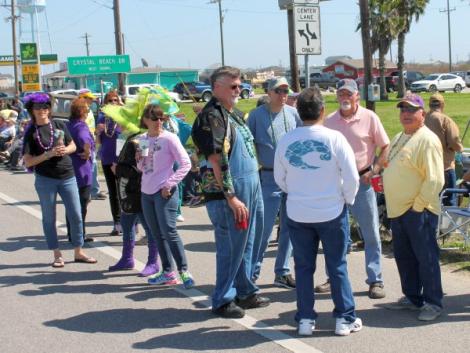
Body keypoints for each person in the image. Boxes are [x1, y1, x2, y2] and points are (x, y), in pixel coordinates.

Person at [274, 87, 361, 336]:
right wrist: (346, 198)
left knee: (303, 268)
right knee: (337, 266)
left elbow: (280, 178)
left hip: (298, 212)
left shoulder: (287, 139)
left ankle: (305, 319)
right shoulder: (334, 138)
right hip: (332, 210)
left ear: (299, 112)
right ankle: (344, 318)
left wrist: (300, 191)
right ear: (323, 110)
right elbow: (351, 176)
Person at [192, 66, 269, 319]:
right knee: (231, 246)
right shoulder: (211, 116)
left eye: (240, 85)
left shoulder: (232, 113)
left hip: (251, 184)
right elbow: (216, 159)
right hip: (230, 191)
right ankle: (223, 299)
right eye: (233, 86)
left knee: (248, 243)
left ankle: (244, 291)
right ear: (216, 87)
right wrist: (231, 196)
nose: (239, 90)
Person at [320, 78, 389, 299]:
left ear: (357, 96)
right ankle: (334, 278)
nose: (345, 98)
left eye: (349, 94)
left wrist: (376, 169)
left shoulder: (370, 118)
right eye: (341, 94)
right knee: (334, 235)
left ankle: (375, 279)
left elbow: (385, 145)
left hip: (363, 182)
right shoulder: (329, 121)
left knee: (370, 233)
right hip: (335, 185)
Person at [383, 93, 444, 321]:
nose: (406, 114)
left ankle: (432, 303)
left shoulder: (427, 139)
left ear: (422, 114)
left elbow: (436, 179)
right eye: (402, 110)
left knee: (426, 258)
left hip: (419, 211)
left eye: (411, 110)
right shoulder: (401, 135)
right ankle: (412, 297)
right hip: (399, 210)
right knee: (405, 257)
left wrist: (418, 207)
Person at [22, 92, 97, 267]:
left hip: (68, 176)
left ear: (49, 109)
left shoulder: (59, 124)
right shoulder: (31, 132)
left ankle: (79, 251)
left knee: (76, 215)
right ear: (31, 110)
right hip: (45, 179)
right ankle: (57, 254)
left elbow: (73, 145)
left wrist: (66, 150)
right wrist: (47, 155)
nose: (42, 110)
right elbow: (28, 161)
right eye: (37, 108)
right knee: (49, 218)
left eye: (45, 107)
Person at [247, 77, 301, 289]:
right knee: (263, 228)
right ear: (269, 93)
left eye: (286, 90)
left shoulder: (293, 114)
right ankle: (252, 272)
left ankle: (282, 272)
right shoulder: (256, 116)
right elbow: (248, 146)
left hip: (292, 179)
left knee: (289, 228)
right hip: (268, 178)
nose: (283, 94)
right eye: (278, 90)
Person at [137, 104, 194, 288]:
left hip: (165, 191)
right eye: (154, 118)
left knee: (169, 231)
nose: (159, 122)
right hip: (147, 191)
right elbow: (144, 168)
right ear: (146, 120)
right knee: (156, 234)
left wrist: (170, 183)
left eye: (162, 118)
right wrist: (139, 158)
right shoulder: (143, 139)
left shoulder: (170, 138)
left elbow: (185, 163)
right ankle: (168, 272)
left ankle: (184, 271)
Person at [108, 130, 159, 277]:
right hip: (125, 189)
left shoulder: (142, 139)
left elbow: (141, 169)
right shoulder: (125, 136)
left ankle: (152, 262)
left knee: (149, 228)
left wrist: (118, 169)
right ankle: (127, 258)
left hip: (139, 190)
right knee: (127, 224)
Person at [424, 93, 463, 206]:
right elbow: (454, 142)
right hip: (444, 168)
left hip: (426, 168)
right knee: (448, 202)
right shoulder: (445, 120)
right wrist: (458, 149)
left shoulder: (423, 119)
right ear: (442, 104)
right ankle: (447, 224)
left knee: (430, 203)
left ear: (430, 104)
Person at [66, 98, 95, 243]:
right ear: (82, 112)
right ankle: (79, 234)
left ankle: (72, 233)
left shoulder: (69, 124)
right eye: (87, 109)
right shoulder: (81, 126)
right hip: (81, 169)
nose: (88, 112)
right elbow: (85, 140)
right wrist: (87, 150)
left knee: (71, 203)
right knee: (81, 204)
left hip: (69, 168)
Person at [96, 91, 122, 235]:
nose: (113, 102)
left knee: (125, 191)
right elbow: (99, 142)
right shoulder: (101, 117)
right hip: (107, 157)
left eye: (115, 100)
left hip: (122, 159)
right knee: (113, 192)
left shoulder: (124, 116)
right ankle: (117, 223)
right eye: (110, 100)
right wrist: (98, 132)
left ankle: (133, 222)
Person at [78, 89, 107, 201]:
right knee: (86, 167)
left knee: (93, 166)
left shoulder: (89, 110)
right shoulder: (78, 110)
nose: (91, 101)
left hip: (91, 141)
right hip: (83, 143)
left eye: (91, 99)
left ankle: (94, 191)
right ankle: (87, 192)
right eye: (88, 98)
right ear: (82, 98)